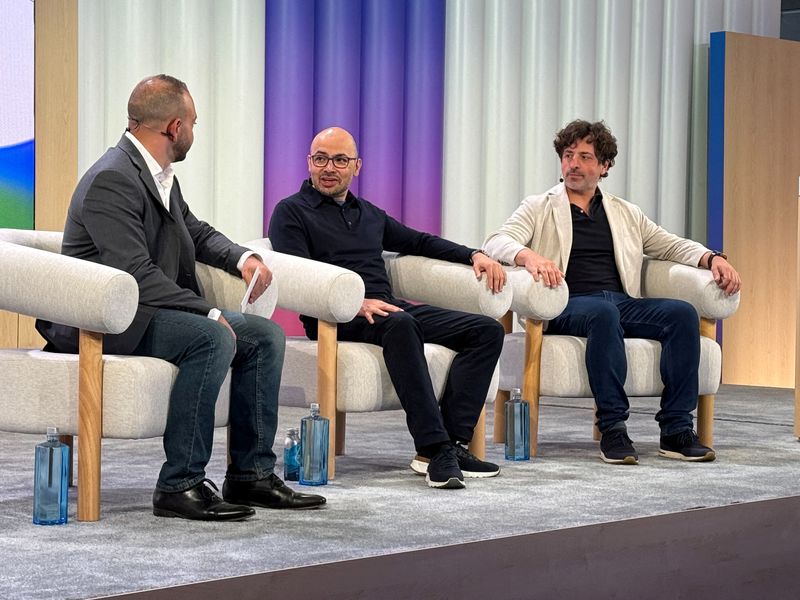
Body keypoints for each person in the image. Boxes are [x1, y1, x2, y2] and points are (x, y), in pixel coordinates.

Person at [36, 74, 325, 520]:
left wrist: (242, 258)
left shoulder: (157, 174)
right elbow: (133, 273)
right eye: (192, 122)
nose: (193, 131)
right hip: (104, 320)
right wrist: (208, 310)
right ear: (174, 127)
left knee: (265, 336)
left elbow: (194, 231)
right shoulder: (112, 179)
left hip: (142, 310)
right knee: (211, 336)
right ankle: (180, 483)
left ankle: (251, 474)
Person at [484, 119, 742, 465]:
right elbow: (495, 241)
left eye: (585, 157)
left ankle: (677, 428)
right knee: (603, 314)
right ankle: (613, 427)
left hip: (619, 302)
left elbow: (669, 245)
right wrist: (528, 256)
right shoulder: (539, 205)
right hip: (565, 304)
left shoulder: (624, 212)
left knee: (682, 314)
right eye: (568, 155)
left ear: (604, 166)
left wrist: (711, 258)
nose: (574, 164)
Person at [269, 127, 507, 489]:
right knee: (401, 324)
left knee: (486, 330)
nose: (329, 167)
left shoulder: (368, 214)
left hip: (388, 309)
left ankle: (453, 443)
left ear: (357, 167)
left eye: (339, 160)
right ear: (309, 163)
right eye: (320, 159)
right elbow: (297, 272)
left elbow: (420, 241)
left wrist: (474, 254)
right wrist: (354, 302)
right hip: (335, 316)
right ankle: (432, 446)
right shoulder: (291, 212)